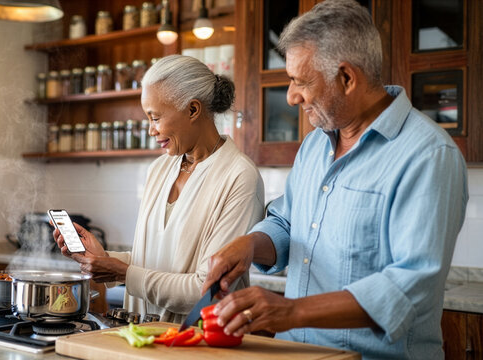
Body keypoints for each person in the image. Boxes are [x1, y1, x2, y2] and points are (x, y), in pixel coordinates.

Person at [202, 0, 468, 359]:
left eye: (300, 81)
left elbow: (410, 286)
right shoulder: (315, 144)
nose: (293, 97)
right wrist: (250, 245)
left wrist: (291, 311)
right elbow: (287, 222)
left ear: (347, 78)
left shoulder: (428, 155)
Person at [54, 55, 265, 323]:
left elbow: (207, 288)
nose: (152, 130)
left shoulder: (239, 176)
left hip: (199, 343)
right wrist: (104, 258)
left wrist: (122, 273)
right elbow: (152, 259)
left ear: (192, 110)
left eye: (155, 118)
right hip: (139, 336)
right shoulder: (159, 169)